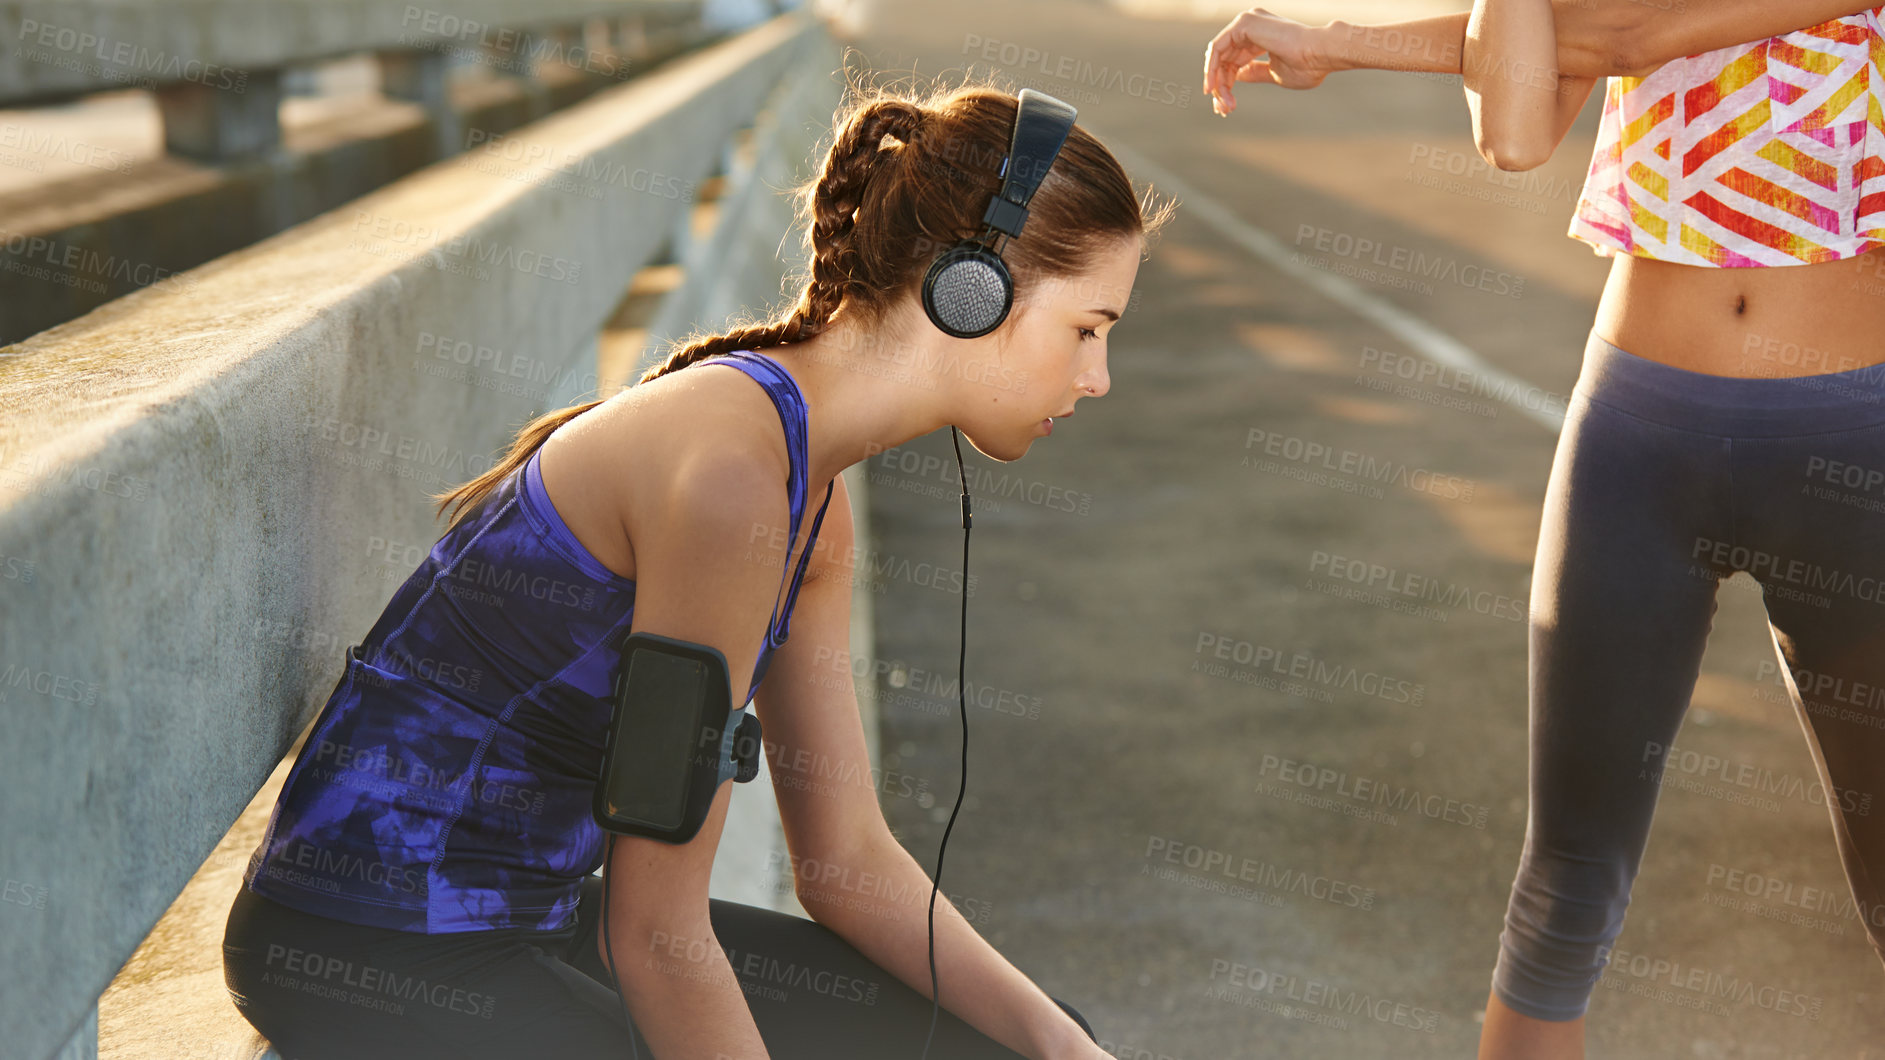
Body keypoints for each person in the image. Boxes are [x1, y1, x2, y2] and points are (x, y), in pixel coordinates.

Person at [221, 72, 1172, 1060]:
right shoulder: (733, 483)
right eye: (1087, 330)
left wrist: (1064, 1045)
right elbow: (658, 935)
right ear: (968, 293)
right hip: (370, 948)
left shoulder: (812, 502)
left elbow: (842, 862)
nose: (1095, 378)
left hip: (534, 918)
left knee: (1020, 1047)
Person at [1203, 1, 1885, 1057]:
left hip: (1852, 438)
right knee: (1564, 883)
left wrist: (1340, 43)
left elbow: (1630, 42)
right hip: (1636, 432)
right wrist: (1334, 40)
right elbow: (1516, 130)